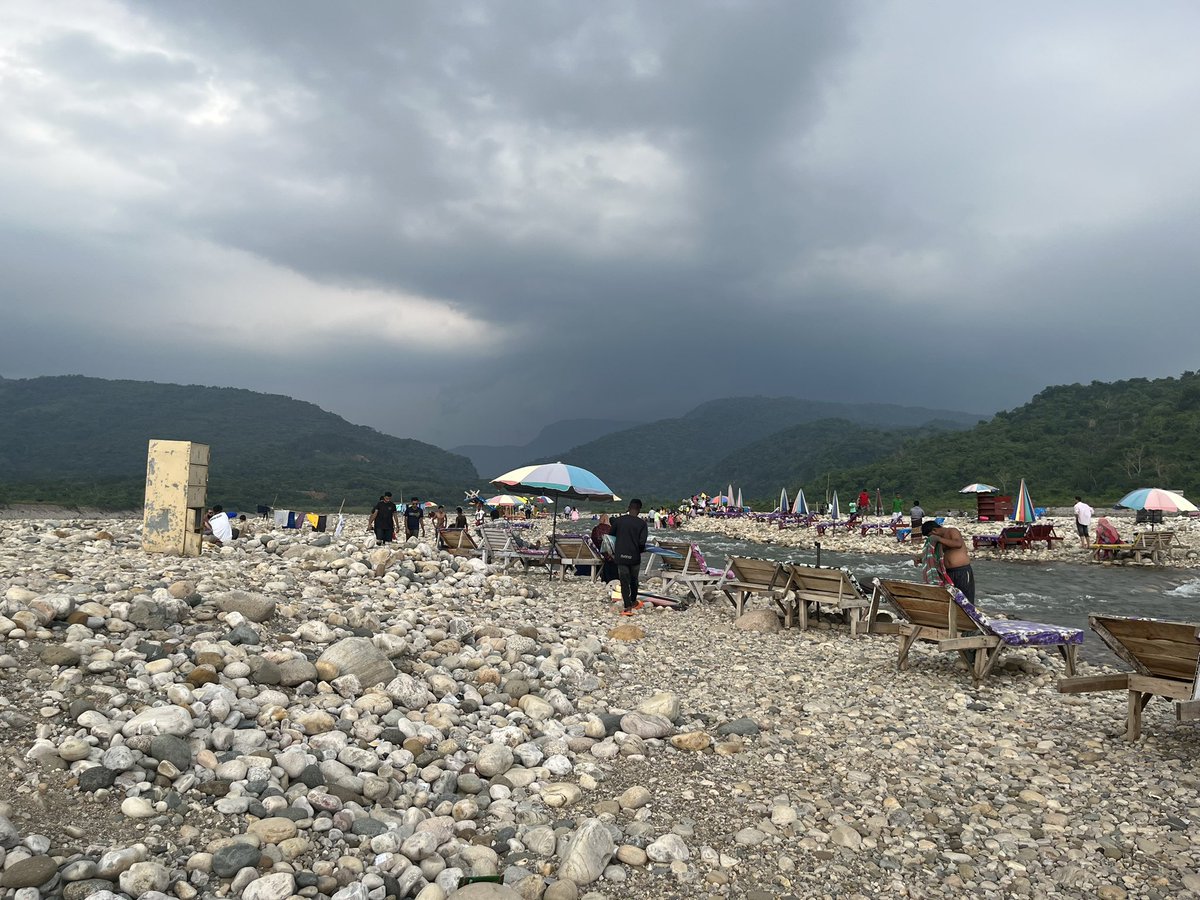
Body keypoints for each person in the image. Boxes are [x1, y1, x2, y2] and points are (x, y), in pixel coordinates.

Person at [609, 499, 648, 616]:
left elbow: (611, 537)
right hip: (635, 556)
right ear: (639, 509)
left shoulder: (619, 521)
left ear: (628, 507)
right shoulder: (642, 524)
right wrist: (640, 550)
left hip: (620, 555)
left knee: (624, 581)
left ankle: (627, 607)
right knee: (634, 580)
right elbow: (642, 543)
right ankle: (633, 601)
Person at [922, 520, 975, 602]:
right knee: (952, 598)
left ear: (934, 530)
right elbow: (932, 553)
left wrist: (938, 539)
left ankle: (969, 614)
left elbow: (958, 544)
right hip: (948, 573)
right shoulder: (939, 540)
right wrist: (921, 558)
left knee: (965, 598)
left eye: (930, 535)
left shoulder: (952, 531)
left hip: (962, 571)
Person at [591, 513, 617, 583]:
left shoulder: (595, 529)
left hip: (598, 553)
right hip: (610, 555)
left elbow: (593, 541)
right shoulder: (611, 529)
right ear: (606, 520)